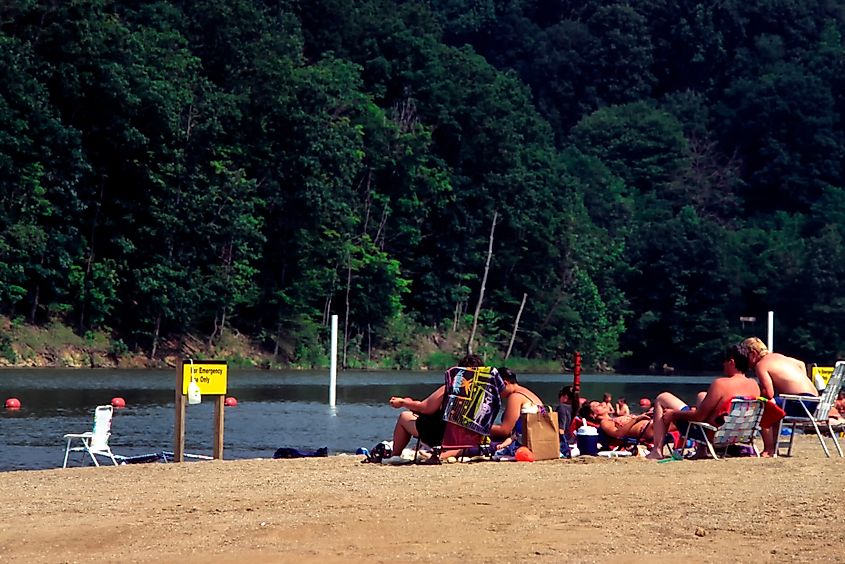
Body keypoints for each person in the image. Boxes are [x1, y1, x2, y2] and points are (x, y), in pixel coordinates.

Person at [646, 345, 760, 460]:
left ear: (731, 362)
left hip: (710, 434)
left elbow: (699, 417)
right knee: (702, 395)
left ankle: (657, 450)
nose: (723, 365)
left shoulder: (720, 384)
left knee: (662, 398)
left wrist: (673, 414)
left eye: (724, 361)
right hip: (735, 434)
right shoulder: (754, 385)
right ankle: (701, 450)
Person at [387, 354, 486, 461]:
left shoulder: (450, 388)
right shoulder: (486, 393)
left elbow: (425, 408)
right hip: (472, 437)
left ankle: (394, 456)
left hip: (444, 437)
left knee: (404, 416)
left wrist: (403, 403)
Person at [738, 337, 817, 457]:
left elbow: (768, 394)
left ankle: (768, 449)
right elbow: (801, 364)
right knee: (776, 405)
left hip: (801, 403)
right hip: (813, 401)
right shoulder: (780, 357)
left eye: (745, 357)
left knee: (764, 407)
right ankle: (774, 447)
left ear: (753, 353)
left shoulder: (761, 365)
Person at [490, 368, 545, 441]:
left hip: (524, 443)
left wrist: (480, 428)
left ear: (505, 384)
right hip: (538, 439)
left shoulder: (515, 397)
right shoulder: (527, 393)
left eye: (495, 389)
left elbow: (504, 431)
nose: (496, 393)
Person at [579, 399, 655, 445]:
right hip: (647, 429)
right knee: (662, 399)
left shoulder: (613, 419)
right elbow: (618, 434)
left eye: (600, 403)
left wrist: (643, 415)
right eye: (597, 405)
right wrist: (635, 419)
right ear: (593, 415)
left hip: (650, 425)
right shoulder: (604, 423)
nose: (602, 404)